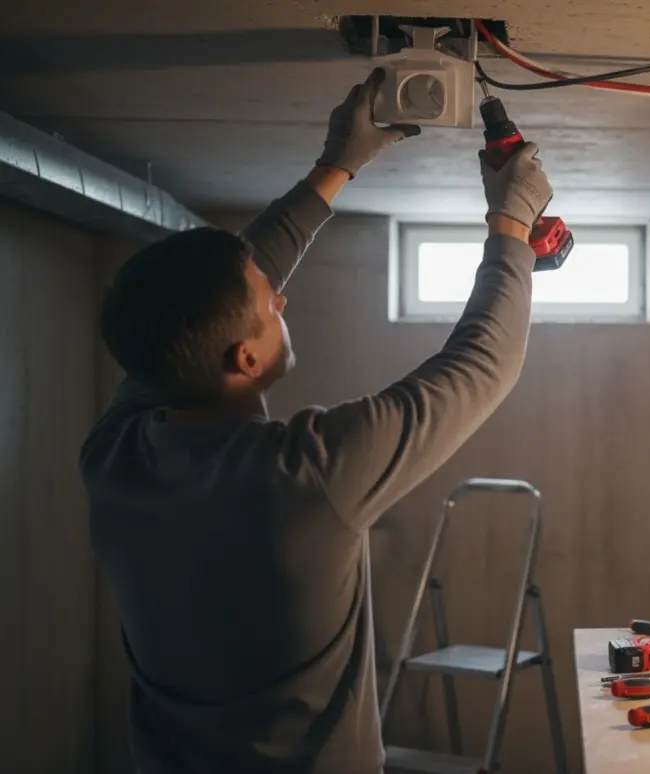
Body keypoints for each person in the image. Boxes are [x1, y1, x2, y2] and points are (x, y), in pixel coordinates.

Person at [79, 69, 553, 773]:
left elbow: (214, 296)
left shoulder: (115, 455)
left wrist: (337, 166)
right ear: (245, 358)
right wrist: (510, 225)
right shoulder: (306, 476)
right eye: (268, 305)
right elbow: (482, 365)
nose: (282, 301)